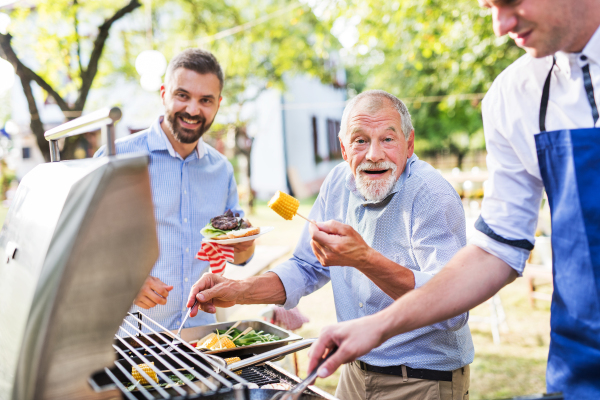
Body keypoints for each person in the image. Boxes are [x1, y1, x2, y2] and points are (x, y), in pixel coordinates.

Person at [307, 1, 600, 399]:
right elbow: (496, 248)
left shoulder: (428, 189)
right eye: (490, 6)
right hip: (582, 358)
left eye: (511, 1)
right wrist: (378, 325)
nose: (501, 26)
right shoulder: (512, 97)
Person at [187, 90, 473, 400]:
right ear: (343, 148)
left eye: (387, 140)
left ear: (410, 144)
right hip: (354, 372)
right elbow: (306, 267)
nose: (374, 154)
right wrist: (239, 290)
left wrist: (363, 259)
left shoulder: (432, 196)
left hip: (420, 379)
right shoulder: (337, 183)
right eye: (360, 140)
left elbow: (452, 309)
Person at [95, 48, 255, 331]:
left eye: (205, 100)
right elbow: (82, 249)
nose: (193, 110)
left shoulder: (222, 170)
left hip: (199, 338)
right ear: (163, 94)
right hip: (129, 340)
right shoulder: (114, 159)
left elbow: (239, 255)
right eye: (183, 95)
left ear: (218, 104)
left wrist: (245, 246)